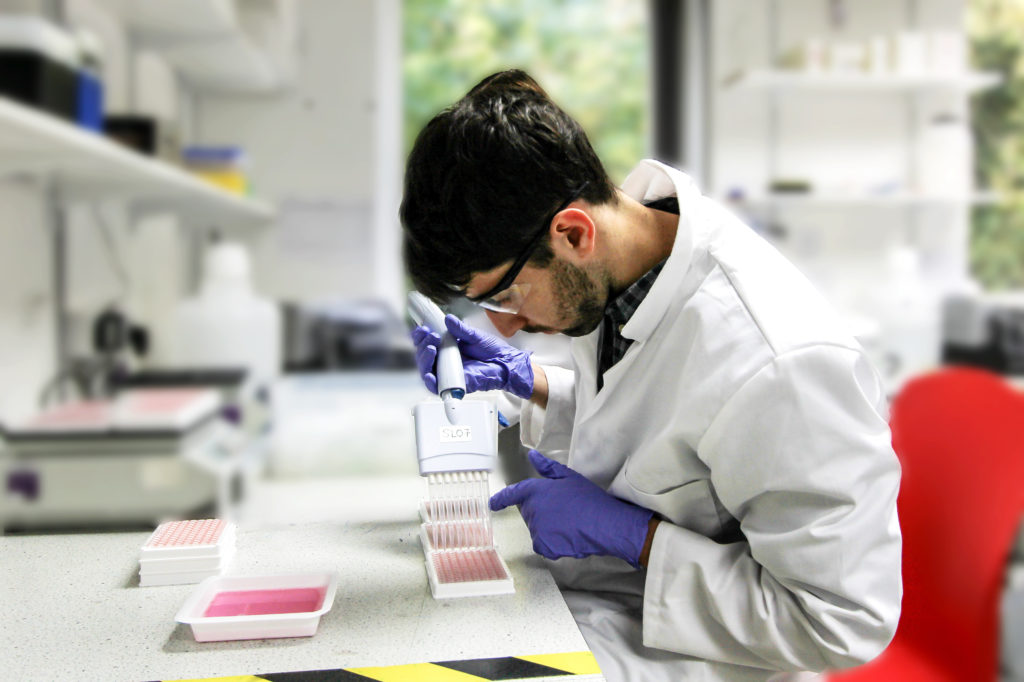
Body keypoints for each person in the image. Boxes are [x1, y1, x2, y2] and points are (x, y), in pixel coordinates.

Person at [401, 69, 902, 682]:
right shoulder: (626, 267)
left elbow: (840, 621)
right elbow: (663, 431)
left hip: (705, 656)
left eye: (506, 297)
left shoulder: (779, 363)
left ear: (573, 232)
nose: (506, 327)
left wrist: (637, 539)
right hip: (599, 606)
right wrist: (526, 379)